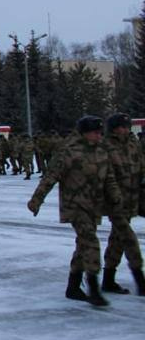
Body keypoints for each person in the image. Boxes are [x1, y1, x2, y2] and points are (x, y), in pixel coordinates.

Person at [28, 116, 121, 307]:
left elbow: (109, 177)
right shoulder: (69, 152)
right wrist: (36, 200)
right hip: (75, 205)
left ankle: (73, 286)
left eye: (99, 132)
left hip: (93, 205)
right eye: (94, 132)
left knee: (83, 245)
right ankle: (94, 288)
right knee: (91, 243)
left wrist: (116, 196)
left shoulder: (101, 151)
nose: (98, 135)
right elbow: (50, 177)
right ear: (84, 132)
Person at [101, 113, 145, 295]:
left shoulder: (133, 143)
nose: (124, 130)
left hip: (132, 198)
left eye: (127, 126)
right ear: (113, 128)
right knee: (128, 238)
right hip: (114, 201)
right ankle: (140, 279)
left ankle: (108, 280)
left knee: (117, 240)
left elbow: (141, 165)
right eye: (121, 127)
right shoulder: (105, 146)